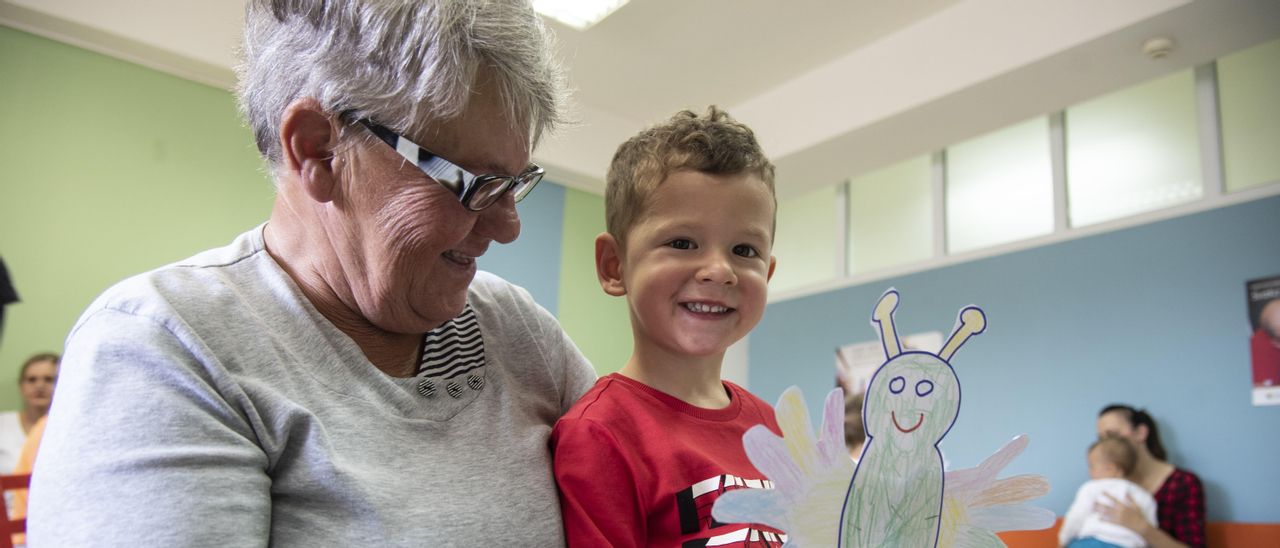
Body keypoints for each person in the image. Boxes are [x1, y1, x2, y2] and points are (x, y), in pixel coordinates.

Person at [28, 1, 596, 545]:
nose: (507, 227)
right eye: (476, 184)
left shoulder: (518, 330)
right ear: (320, 151)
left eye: (516, 183)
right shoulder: (167, 347)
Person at [551, 107, 785, 546]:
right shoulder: (600, 435)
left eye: (744, 250)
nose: (719, 270)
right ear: (614, 265)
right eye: (682, 243)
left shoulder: (774, 427)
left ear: (767, 274)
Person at [1095, 404, 1206, 548]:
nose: (1107, 446)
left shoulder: (1183, 483)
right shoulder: (1108, 483)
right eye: (1102, 439)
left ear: (1141, 432)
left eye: (1113, 435)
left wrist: (1141, 527)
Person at [1059, 436, 1157, 548]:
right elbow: (1149, 532)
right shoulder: (1144, 496)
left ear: (1111, 468)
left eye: (1092, 466)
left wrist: (1063, 539)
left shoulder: (1092, 487)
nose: (1089, 471)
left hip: (1091, 542)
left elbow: (1075, 517)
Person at [0, 353, 57, 474]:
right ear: (21, 386)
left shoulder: (66, 430)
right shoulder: (3, 423)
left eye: (49, 379)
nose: (39, 386)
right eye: (32, 380)